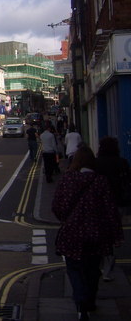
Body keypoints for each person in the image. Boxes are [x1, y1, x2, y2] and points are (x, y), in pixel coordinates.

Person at [52, 145, 123, 320]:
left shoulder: (68, 179)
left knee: (75, 270)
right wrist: (116, 235)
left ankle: (81, 303)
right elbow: (110, 210)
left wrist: (66, 219)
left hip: (72, 234)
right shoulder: (100, 181)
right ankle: (89, 300)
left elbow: (57, 206)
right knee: (92, 270)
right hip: (95, 234)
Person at [96, 137, 131, 281]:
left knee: (100, 233)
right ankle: (108, 264)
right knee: (110, 234)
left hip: (100, 204)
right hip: (118, 203)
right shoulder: (122, 162)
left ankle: (101, 264)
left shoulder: (96, 163)